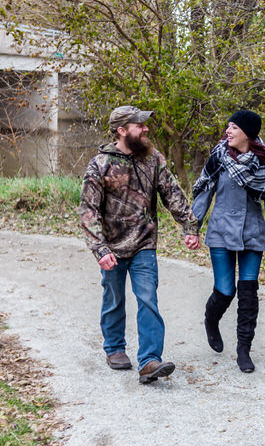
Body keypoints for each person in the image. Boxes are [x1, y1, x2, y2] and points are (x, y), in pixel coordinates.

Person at [79, 105, 200, 384]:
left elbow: (172, 193)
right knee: (114, 299)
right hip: (111, 246)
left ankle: (149, 361)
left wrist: (189, 226)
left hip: (144, 243)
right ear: (122, 131)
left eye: (145, 125)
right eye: (139, 125)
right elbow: (88, 211)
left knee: (148, 299)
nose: (145, 129)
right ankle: (115, 348)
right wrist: (100, 248)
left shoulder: (152, 159)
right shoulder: (100, 164)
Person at [187, 109, 265, 373]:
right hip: (221, 232)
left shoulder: (264, 165)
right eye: (228, 126)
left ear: (247, 132)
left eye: (233, 127)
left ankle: (243, 350)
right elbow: (204, 193)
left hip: (252, 235)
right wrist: (192, 228)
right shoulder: (219, 158)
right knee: (225, 290)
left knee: (248, 293)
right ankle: (211, 321)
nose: (228, 131)